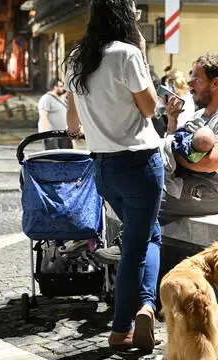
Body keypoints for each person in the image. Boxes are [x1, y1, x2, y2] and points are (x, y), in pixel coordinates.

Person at [64, 0, 162, 352]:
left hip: (103, 169)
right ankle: (122, 328)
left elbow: (72, 124)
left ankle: (147, 306)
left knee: (147, 235)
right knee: (137, 248)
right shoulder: (127, 54)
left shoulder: (76, 57)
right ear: (125, 15)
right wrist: (142, 53)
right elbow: (150, 108)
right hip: (140, 166)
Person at [160, 53, 218, 221]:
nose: (190, 86)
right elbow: (179, 144)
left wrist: (171, 151)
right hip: (187, 181)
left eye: (197, 80)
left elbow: (207, 164)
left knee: (151, 200)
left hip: (213, 191)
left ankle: (125, 243)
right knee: (139, 191)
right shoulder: (198, 115)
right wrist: (172, 121)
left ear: (215, 83)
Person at [38, 78, 71, 150]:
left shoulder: (60, 98)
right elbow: (44, 117)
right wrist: (47, 135)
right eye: (61, 86)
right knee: (53, 157)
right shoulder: (46, 99)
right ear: (55, 87)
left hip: (63, 134)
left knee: (66, 157)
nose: (63, 88)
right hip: (52, 135)